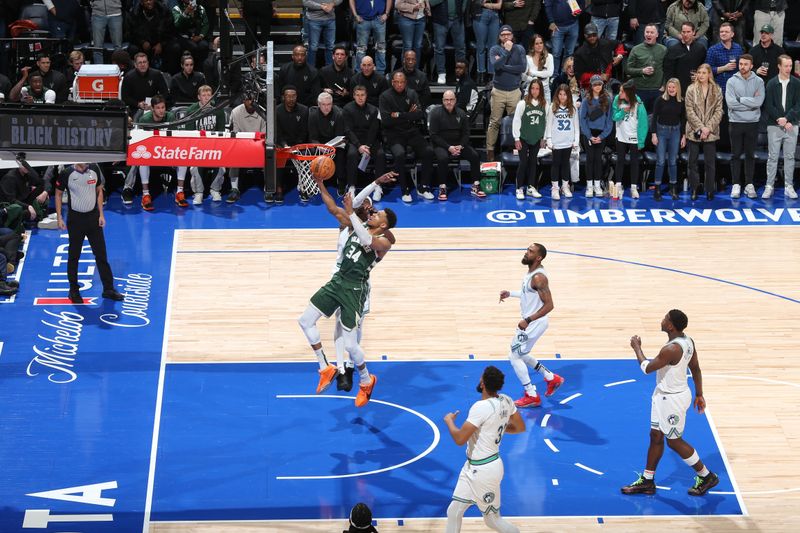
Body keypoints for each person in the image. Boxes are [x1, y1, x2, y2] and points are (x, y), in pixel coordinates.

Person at [297, 189, 397, 408]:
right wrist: (321, 184)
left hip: (354, 289)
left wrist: (352, 212)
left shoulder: (384, 243)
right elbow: (336, 209)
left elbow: (366, 239)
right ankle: (325, 367)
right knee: (305, 321)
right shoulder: (354, 225)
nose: (373, 213)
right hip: (338, 280)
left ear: (383, 226)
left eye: (378, 215)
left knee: (351, 345)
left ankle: (365, 380)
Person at [621, 309, 720, 497]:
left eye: (665, 318)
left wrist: (637, 348)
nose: (662, 320)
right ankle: (648, 481)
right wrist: (699, 393)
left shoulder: (672, 349)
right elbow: (696, 368)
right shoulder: (687, 341)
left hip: (672, 399)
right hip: (662, 395)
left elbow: (647, 368)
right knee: (655, 436)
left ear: (671, 326)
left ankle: (706, 476)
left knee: (673, 441)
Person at [318, 172, 396, 391]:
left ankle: (352, 367)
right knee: (338, 326)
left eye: (373, 209)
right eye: (367, 207)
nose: (370, 210)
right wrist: (375, 183)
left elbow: (390, 238)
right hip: (339, 279)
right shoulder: (347, 222)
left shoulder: (382, 237)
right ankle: (342, 369)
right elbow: (340, 206)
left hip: (359, 284)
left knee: (355, 327)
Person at [443, 365, 525, 533]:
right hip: (473, 467)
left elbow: (459, 439)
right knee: (454, 511)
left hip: (484, 470)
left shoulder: (480, 407)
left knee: (492, 520)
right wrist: (495, 426)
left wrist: (449, 421)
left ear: (482, 384)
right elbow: (519, 427)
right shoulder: (507, 400)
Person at [498, 243, 564, 407]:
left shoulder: (538, 278)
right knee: (521, 353)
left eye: (530, 251)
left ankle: (531, 394)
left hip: (533, 324)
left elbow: (549, 305)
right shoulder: (531, 274)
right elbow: (529, 294)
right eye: (527, 250)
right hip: (532, 323)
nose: (526, 253)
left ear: (539, 257)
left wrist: (527, 320)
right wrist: (511, 293)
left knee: (514, 356)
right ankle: (550, 377)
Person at [54, 164, 125, 304]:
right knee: (74, 256)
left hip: (93, 219)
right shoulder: (67, 173)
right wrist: (59, 217)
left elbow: (99, 191)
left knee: (101, 255)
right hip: (75, 220)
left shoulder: (95, 169)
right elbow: (58, 193)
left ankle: (108, 289)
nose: (87, 162)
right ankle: (73, 290)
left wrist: (101, 215)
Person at [379, 71, 435, 202]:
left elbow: (419, 114)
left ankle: (424, 187)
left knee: (429, 152)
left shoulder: (412, 93)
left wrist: (398, 115)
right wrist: (408, 115)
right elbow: (386, 121)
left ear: (405, 83)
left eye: (402, 82)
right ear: (392, 82)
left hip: (411, 131)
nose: (399, 85)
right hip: (393, 134)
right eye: (396, 82)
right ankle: (404, 189)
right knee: (399, 155)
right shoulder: (385, 96)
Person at [124, 95, 177, 210]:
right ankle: (141, 192)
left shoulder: (171, 117)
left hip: (167, 151)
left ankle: (179, 190)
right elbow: (141, 141)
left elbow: (175, 138)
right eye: (158, 108)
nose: (161, 110)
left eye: (163, 107)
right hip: (150, 152)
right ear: (152, 108)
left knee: (183, 157)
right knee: (137, 158)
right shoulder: (144, 120)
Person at [429, 90, 482, 201]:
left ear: (455, 100)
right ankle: (442, 186)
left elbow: (466, 133)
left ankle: (475, 185)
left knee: (475, 156)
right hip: (441, 144)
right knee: (443, 158)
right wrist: (449, 147)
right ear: (443, 101)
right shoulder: (435, 113)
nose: (449, 102)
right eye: (446, 100)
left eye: (451, 99)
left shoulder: (461, 113)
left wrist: (460, 146)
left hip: (458, 144)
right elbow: (433, 135)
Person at [726, 54, 765, 200]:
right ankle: (736, 184)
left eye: (745, 64)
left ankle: (749, 184)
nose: (742, 66)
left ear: (751, 66)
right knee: (735, 155)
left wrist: (740, 99)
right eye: (740, 64)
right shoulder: (731, 81)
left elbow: (759, 102)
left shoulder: (759, 81)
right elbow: (731, 104)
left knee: (750, 155)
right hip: (735, 122)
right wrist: (750, 104)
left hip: (752, 124)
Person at [486, 25, 527, 161]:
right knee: (494, 122)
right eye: (503, 35)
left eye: (508, 34)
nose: (506, 37)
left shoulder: (520, 48)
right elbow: (496, 66)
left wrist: (504, 66)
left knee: (516, 122)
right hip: (498, 92)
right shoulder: (495, 49)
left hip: (514, 91)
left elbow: (522, 68)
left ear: (512, 35)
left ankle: (514, 147)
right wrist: (506, 51)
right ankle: (490, 150)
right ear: (499, 37)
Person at [181, 84, 227, 205]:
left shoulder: (218, 110)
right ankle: (198, 192)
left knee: (222, 165)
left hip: (214, 146)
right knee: (195, 166)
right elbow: (189, 134)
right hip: (197, 147)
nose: (206, 98)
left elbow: (221, 132)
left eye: (209, 95)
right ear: (198, 97)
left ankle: (215, 190)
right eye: (204, 95)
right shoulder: (192, 111)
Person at [762, 54, 799, 199]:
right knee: (773, 157)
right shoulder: (771, 83)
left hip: (792, 125)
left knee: (790, 157)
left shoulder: (796, 83)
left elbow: (798, 105)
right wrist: (780, 119)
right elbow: (768, 105)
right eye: (786, 66)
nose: (788, 68)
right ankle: (769, 185)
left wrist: (788, 119)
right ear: (779, 66)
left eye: (790, 66)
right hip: (774, 125)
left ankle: (788, 186)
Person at [684, 63, 723, 200]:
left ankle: (709, 190)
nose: (700, 75)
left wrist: (708, 129)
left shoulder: (716, 90)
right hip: (694, 130)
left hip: (710, 132)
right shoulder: (691, 89)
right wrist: (701, 128)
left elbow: (719, 111)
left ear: (709, 75)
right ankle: (694, 188)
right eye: (699, 72)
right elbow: (689, 111)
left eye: (703, 73)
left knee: (710, 162)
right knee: (692, 162)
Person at [343, 85, 386, 196]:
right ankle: (351, 186)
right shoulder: (347, 109)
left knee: (380, 154)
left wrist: (367, 145)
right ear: (353, 96)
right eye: (357, 95)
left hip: (370, 140)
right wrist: (358, 145)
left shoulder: (373, 110)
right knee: (352, 154)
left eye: (362, 95)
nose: (360, 97)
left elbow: (374, 129)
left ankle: (378, 186)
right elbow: (348, 130)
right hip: (354, 140)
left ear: (366, 96)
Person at [226, 92, 267, 204]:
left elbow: (264, 134)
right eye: (248, 100)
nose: (250, 102)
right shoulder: (236, 112)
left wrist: (256, 145)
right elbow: (235, 134)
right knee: (233, 155)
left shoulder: (262, 112)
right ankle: (234, 189)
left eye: (253, 100)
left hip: (259, 144)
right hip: (241, 144)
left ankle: (268, 188)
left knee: (269, 154)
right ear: (243, 101)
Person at [611, 80, 648, 199]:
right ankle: (618, 186)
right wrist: (622, 112)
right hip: (621, 135)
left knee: (634, 162)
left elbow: (643, 123)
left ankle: (633, 187)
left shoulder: (638, 103)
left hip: (634, 137)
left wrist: (641, 141)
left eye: (622, 91)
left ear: (629, 93)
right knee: (620, 160)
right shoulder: (617, 99)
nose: (620, 93)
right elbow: (614, 117)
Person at [651, 78, 686, 200]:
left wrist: (683, 136)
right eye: (669, 87)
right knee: (660, 161)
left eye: (673, 87)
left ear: (678, 88)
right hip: (661, 131)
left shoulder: (681, 101)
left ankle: (673, 188)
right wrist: (654, 134)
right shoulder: (660, 100)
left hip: (675, 132)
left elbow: (683, 120)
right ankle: (657, 188)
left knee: (672, 162)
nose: (671, 89)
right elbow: (654, 118)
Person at [512, 78, 547, 199]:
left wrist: (544, 138)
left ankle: (531, 187)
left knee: (533, 163)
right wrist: (516, 138)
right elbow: (516, 121)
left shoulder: (544, 104)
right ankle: (519, 188)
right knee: (523, 162)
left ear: (541, 90)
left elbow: (547, 122)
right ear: (529, 89)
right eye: (533, 88)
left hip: (536, 138)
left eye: (537, 88)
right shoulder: (523, 103)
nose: (535, 91)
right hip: (523, 137)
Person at [579, 75, 613, 198]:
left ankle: (597, 185)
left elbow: (609, 121)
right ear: (591, 86)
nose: (597, 86)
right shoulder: (586, 100)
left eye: (599, 84)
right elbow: (582, 119)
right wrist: (588, 135)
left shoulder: (607, 100)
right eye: (595, 84)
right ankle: (589, 185)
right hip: (589, 134)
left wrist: (602, 136)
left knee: (598, 160)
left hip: (601, 135)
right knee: (590, 159)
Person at [275, 85, 310, 203]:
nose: (291, 99)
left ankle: (304, 188)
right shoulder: (276, 110)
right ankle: (279, 189)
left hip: (298, 144)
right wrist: (285, 145)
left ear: (297, 97)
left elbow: (304, 132)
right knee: (278, 155)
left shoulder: (304, 110)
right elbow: (277, 133)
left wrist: (296, 146)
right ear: (283, 97)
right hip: (282, 144)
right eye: (288, 96)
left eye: (293, 96)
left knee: (306, 155)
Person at [308, 92, 346, 199]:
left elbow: (339, 135)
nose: (326, 107)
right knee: (312, 152)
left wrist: (330, 147)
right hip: (319, 143)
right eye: (323, 105)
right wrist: (320, 146)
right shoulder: (313, 115)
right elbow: (312, 137)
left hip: (335, 144)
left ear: (332, 104)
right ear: (319, 105)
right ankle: (313, 183)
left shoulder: (339, 114)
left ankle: (342, 183)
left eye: (329, 104)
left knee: (341, 154)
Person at [545, 84, 580, 200]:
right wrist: (549, 140)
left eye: (564, 94)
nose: (562, 96)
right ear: (557, 95)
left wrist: (576, 141)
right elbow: (548, 125)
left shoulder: (573, 108)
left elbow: (576, 126)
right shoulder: (552, 107)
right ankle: (555, 188)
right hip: (556, 141)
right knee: (556, 164)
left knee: (565, 164)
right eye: (560, 94)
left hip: (568, 141)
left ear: (568, 95)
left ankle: (565, 186)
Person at [127, 0, 180, 74]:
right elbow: (131, 34)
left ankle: (171, 75)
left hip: (161, 42)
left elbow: (171, 31)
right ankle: (137, 75)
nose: (148, 2)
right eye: (146, 1)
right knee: (132, 49)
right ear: (141, 3)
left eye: (150, 0)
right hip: (143, 44)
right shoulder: (135, 13)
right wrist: (142, 42)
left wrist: (161, 44)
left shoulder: (164, 11)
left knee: (175, 47)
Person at [572, 22, 626, 92]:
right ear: (585, 36)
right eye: (589, 35)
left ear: (597, 34)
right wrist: (599, 77)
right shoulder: (579, 53)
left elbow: (619, 44)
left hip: (607, 83)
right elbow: (579, 76)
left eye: (594, 35)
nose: (592, 37)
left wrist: (619, 56)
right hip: (589, 87)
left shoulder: (605, 43)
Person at [626, 23, 668, 112]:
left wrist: (664, 85)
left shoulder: (663, 50)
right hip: (640, 89)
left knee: (654, 118)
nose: (649, 34)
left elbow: (667, 69)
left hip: (657, 90)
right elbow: (628, 69)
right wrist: (642, 71)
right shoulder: (636, 49)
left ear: (657, 34)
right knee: (640, 117)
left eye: (652, 32)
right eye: (647, 32)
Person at [663, 21, 708, 95]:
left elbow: (704, 66)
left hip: (697, 88)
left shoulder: (700, 48)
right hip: (679, 89)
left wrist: (699, 75)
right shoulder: (673, 49)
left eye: (688, 32)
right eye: (683, 32)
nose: (685, 34)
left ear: (693, 32)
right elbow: (668, 71)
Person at [430, 0, 467, 84]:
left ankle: (460, 74)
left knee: (461, 48)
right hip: (440, 19)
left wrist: (462, 10)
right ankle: (441, 73)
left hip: (457, 19)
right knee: (439, 48)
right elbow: (431, 2)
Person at [544, 0, 584, 76]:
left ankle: (564, 75)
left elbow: (581, 3)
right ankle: (554, 75)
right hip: (557, 26)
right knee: (556, 53)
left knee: (569, 53)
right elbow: (548, 6)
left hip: (573, 24)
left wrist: (579, 12)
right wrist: (551, 21)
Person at [350, 0, 390, 74]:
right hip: (362, 18)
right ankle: (359, 73)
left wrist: (386, 13)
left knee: (381, 48)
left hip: (379, 18)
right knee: (361, 48)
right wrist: (355, 15)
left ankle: (381, 73)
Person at [705, 22, 743, 96]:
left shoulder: (738, 48)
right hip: (719, 88)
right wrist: (724, 68)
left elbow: (741, 66)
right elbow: (707, 70)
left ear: (732, 34)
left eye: (726, 32)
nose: (723, 33)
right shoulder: (713, 50)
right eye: (721, 32)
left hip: (736, 87)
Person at [472, 0, 503, 85]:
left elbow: (499, 6)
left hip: (495, 15)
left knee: (493, 48)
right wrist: (485, 4)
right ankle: (481, 73)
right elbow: (476, 2)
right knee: (481, 46)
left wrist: (484, 4)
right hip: (480, 14)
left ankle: (491, 74)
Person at [172, 0, 211, 67]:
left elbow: (206, 24)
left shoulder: (200, 8)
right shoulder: (176, 8)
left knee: (204, 46)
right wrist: (185, 13)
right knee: (193, 47)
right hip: (183, 37)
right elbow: (177, 24)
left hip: (197, 36)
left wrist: (200, 36)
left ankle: (202, 71)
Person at [304, 0, 341, 67]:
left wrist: (332, 4)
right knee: (313, 47)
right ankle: (310, 71)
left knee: (330, 46)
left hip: (330, 19)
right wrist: (321, 6)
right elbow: (305, 2)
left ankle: (329, 71)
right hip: (314, 19)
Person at [522, 34, 554, 102]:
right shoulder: (527, 58)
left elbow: (549, 73)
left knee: (546, 112)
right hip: (530, 89)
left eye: (541, 43)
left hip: (545, 90)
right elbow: (523, 76)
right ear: (532, 46)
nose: (539, 45)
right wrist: (533, 79)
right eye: (536, 44)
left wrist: (532, 72)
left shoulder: (549, 57)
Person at [90, 0, 123, 66]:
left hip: (115, 13)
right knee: (97, 47)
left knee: (118, 46)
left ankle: (118, 69)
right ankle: (99, 71)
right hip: (97, 13)